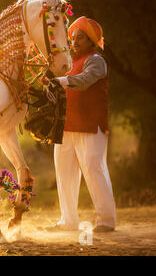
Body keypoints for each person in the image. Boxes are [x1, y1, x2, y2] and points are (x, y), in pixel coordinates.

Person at [48, 16, 117, 233]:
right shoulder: (68, 62)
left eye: (80, 38)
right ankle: (68, 221)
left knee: (94, 171)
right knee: (64, 173)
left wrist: (60, 81)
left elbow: (85, 81)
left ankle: (106, 220)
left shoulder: (96, 60)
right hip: (66, 127)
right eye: (73, 37)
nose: (74, 41)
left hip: (91, 127)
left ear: (91, 41)